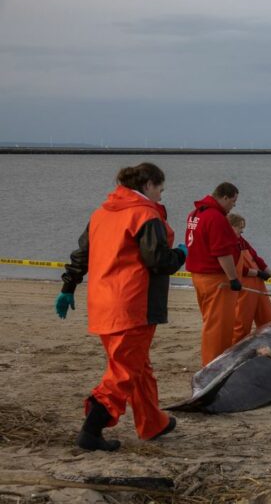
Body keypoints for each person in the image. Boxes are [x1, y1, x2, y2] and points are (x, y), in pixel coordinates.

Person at [56, 162, 186, 451]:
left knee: (138, 365)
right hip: (133, 304)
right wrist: (180, 254)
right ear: (148, 185)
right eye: (160, 189)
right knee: (124, 370)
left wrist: (68, 287)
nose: (162, 196)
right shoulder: (145, 214)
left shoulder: (101, 213)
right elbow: (159, 261)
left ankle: (153, 422)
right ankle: (92, 429)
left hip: (104, 302)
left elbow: (82, 254)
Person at [185, 182, 243, 366]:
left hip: (198, 275)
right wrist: (233, 278)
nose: (234, 205)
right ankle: (213, 365)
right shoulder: (215, 217)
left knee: (210, 321)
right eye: (233, 201)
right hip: (215, 278)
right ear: (225, 197)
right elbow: (222, 252)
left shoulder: (195, 214)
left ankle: (211, 362)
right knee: (219, 326)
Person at [228, 213, 271, 343]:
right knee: (242, 323)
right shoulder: (228, 243)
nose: (242, 230)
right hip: (246, 288)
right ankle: (236, 348)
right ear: (230, 227)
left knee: (268, 319)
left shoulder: (241, 240)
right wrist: (257, 273)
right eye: (240, 227)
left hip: (258, 285)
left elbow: (256, 258)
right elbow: (237, 269)